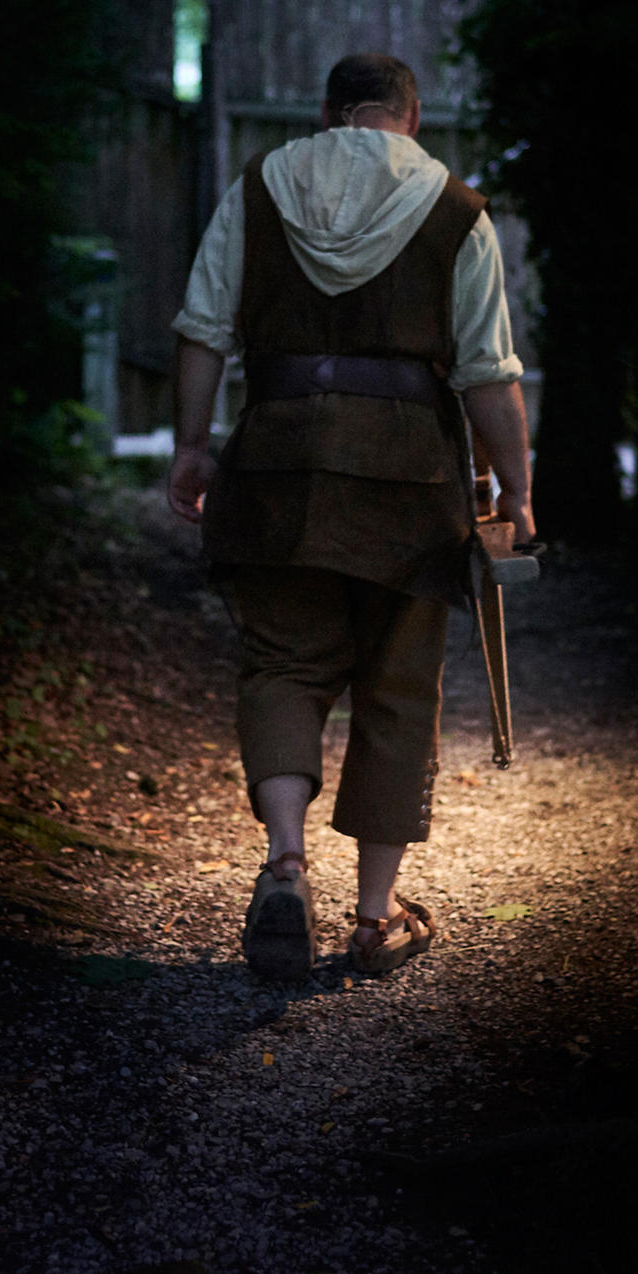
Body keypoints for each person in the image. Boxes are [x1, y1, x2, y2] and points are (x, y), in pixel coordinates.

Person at [167, 51, 533, 979]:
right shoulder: (455, 208)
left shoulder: (261, 186)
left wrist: (190, 446)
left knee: (284, 664)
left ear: (330, 113)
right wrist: (516, 490)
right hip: (409, 480)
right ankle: (372, 921)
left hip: (278, 464)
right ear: (409, 118)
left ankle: (284, 865)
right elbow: (488, 371)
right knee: (397, 688)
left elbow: (203, 325)